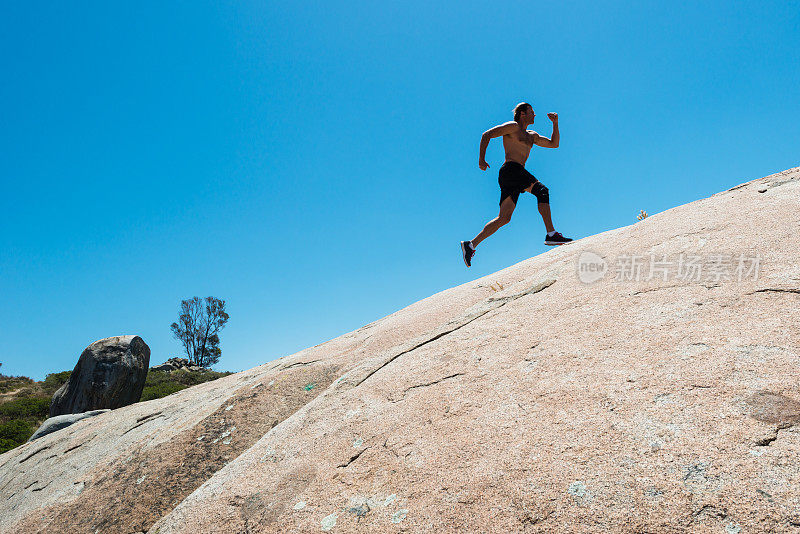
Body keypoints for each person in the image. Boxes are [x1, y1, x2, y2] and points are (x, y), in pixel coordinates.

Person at [461, 102, 572, 267]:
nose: (535, 115)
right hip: (511, 169)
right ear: (522, 114)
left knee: (504, 218)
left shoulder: (532, 135)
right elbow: (486, 135)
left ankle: (470, 245)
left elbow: (554, 144)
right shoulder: (513, 127)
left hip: (513, 174)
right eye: (531, 112)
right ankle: (551, 233)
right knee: (542, 190)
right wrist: (481, 159)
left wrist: (555, 124)